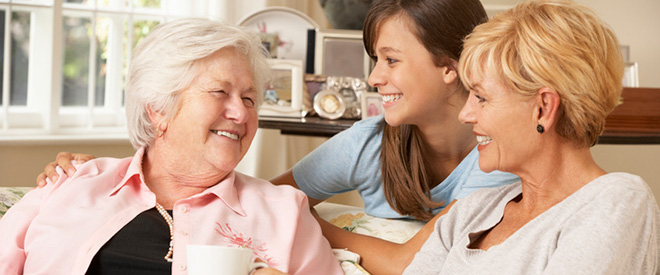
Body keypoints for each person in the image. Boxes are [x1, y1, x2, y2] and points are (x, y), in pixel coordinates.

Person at [36, 0, 520, 273]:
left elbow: (416, 263)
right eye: (219, 92)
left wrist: (304, 225)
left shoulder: (501, 161)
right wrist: (104, 178)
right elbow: (261, 198)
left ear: (451, 68)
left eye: (391, 60)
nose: (374, 78)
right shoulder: (372, 141)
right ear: (157, 110)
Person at [0, 18, 342, 275]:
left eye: (250, 98)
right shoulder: (71, 183)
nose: (241, 113)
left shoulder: (284, 212)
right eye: (219, 92)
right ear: (158, 109)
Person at [403, 0, 660, 273]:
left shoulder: (617, 202)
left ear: (544, 109)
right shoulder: (469, 212)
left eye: (480, 97)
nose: (465, 115)